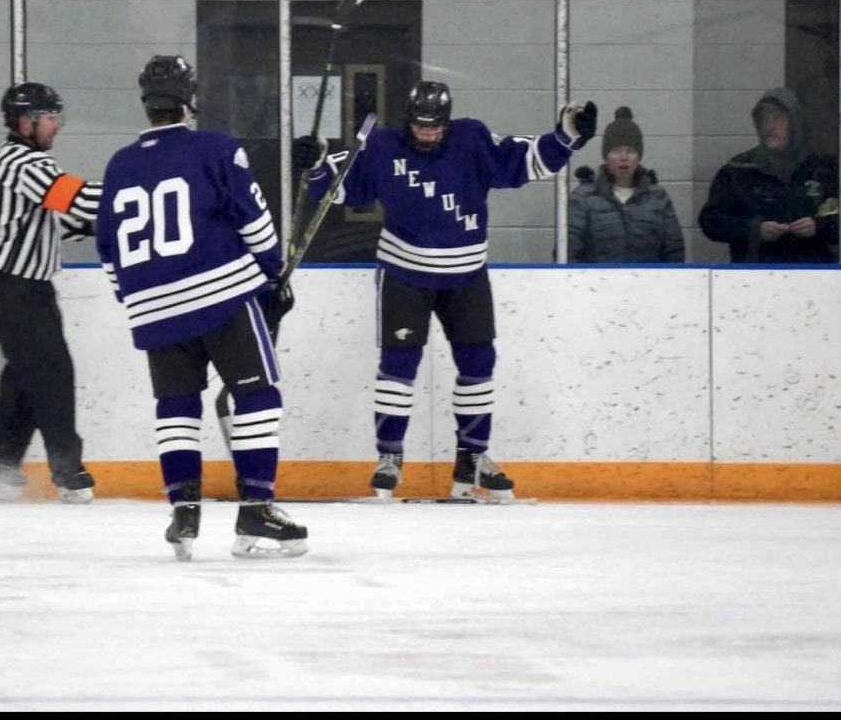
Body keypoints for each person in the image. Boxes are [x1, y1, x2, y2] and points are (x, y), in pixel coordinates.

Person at [293, 82, 597, 502]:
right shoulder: (382, 145)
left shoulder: (471, 137)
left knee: (479, 362)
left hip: (466, 274)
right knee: (399, 364)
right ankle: (390, 457)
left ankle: (472, 457)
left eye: (435, 127)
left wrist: (567, 136)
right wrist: (314, 162)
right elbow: (338, 185)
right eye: (420, 125)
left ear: (447, 121)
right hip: (404, 272)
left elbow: (525, 161)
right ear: (408, 120)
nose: (427, 133)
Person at [96, 55, 306, 561]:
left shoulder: (119, 164)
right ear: (191, 99)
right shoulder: (216, 148)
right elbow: (253, 219)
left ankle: (184, 511)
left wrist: (139, 299)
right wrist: (273, 270)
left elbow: (108, 250)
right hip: (221, 297)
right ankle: (256, 510)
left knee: (177, 408)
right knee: (258, 399)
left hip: (152, 309)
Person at [0, 82, 102, 504]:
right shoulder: (23, 163)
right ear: (26, 122)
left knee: (27, 374)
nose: (57, 126)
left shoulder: (26, 163)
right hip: (11, 285)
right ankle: (67, 472)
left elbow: (59, 220)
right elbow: (77, 200)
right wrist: (138, 194)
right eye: (50, 118)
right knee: (52, 373)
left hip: (21, 284)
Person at [699, 87, 839, 263]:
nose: (769, 126)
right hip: (754, 277)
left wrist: (820, 226)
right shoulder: (739, 169)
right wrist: (754, 230)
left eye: (777, 118)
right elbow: (710, 221)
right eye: (763, 119)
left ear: (794, 122)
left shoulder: (823, 168)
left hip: (815, 276)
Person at [568, 106, 685, 263]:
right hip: (595, 285)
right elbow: (569, 252)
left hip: (650, 285)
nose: (624, 157)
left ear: (639, 156)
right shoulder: (584, 198)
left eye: (630, 151)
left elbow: (674, 251)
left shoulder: (658, 197)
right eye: (616, 151)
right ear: (606, 156)